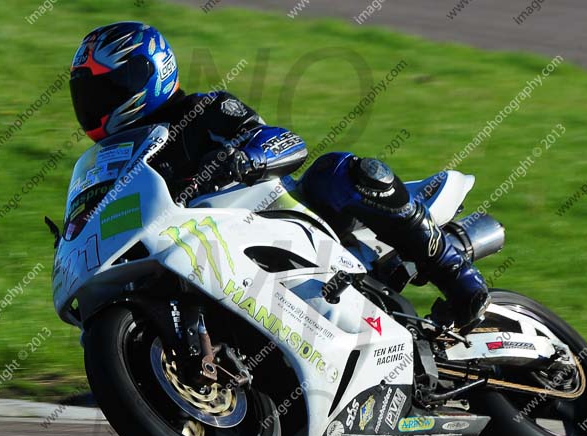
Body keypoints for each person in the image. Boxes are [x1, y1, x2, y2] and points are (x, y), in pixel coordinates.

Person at [68, 21, 489, 330]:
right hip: (205, 256)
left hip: (279, 221)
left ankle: (455, 272)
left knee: (335, 172)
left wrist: (247, 158)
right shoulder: (117, 158)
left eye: (109, 88)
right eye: (88, 93)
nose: (96, 103)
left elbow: (285, 141)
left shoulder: (204, 111)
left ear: (149, 73)